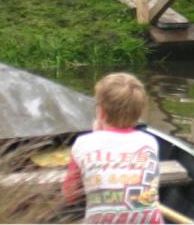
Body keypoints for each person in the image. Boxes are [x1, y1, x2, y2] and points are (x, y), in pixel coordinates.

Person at [62, 73, 162, 224]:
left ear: (101, 112)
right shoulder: (150, 142)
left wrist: (96, 135)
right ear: (139, 114)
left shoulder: (83, 144)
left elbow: (70, 195)